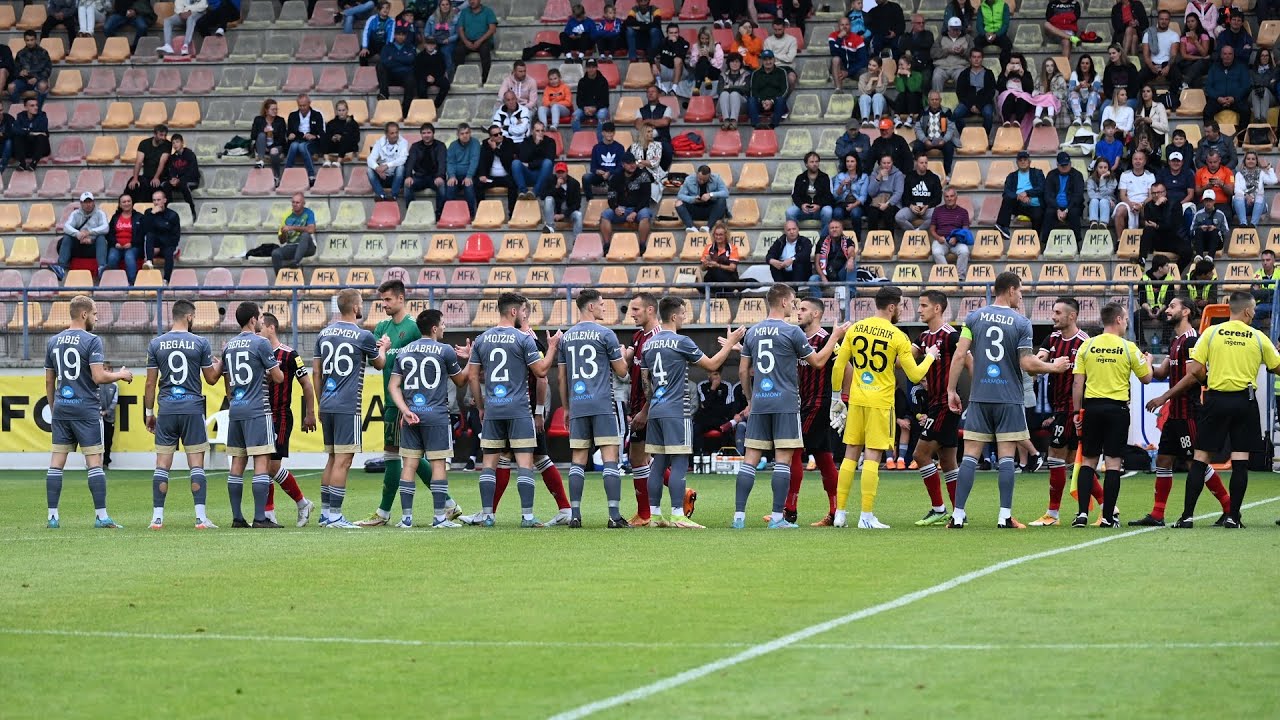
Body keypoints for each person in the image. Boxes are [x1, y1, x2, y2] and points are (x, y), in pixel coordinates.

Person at [945, 272, 1071, 528]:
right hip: (1009, 398)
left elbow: (959, 355)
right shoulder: (1021, 322)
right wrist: (1055, 368)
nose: (1022, 295)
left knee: (969, 456)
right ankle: (1004, 517)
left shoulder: (973, 317)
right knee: (1005, 457)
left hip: (980, 397)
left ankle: (957, 516)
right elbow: (1026, 362)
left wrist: (951, 390)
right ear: (1011, 290)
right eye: (1021, 290)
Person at [734, 284, 846, 529]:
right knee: (789, 457)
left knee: (753, 458)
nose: (796, 308)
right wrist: (837, 336)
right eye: (795, 302)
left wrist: (750, 399)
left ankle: (740, 516)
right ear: (784, 301)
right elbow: (816, 362)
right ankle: (781, 516)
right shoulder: (793, 333)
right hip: (789, 403)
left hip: (805, 403)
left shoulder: (753, 332)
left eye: (803, 307)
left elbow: (744, 369)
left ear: (816, 314)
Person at [828, 285, 937, 528]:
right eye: (899, 306)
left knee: (849, 456)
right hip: (880, 403)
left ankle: (840, 513)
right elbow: (915, 373)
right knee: (873, 457)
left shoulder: (856, 328)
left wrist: (837, 397)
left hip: (856, 399)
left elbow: (838, 366)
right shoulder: (898, 336)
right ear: (891, 306)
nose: (900, 310)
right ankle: (866, 516)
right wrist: (930, 355)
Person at [353, 282, 461, 527]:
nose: (384, 304)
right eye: (383, 299)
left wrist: (406, 406)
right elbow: (379, 362)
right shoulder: (382, 327)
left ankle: (386, 513)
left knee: (400, 457)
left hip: (410, 405)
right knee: (401, 457)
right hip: (394, 403)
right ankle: (446, 505)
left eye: (389, 299)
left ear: (401, 298)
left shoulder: (413, 328)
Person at [461, 293, 563, 527]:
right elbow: (541, 372)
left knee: (489, 464)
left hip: (493, 410)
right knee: (525, 464)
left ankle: (487, 515)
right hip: (519, 410)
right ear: (514, 312)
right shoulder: (523, 339)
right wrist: (552, 348)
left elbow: (473, 377)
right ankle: (527, 517)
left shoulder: (482, 339)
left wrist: (481, 406)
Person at [641, 296, 741, 528]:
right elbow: (712, 365)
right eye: (684, 313)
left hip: (656, 408)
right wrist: (730, 343)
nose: (686, 317)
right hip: (677, 410)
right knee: (678, 462)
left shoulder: (649, 344)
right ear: (674, 316)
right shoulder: (681, 341)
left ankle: (655, 516)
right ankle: (678, 515)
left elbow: (646, 382)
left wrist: (653, 403)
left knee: (657, 463)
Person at [1131, 297, 1232, 526]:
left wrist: (1163, 397)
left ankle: (1229, 508)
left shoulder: (1192, 340)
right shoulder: (1176, 341)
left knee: (1195, 464)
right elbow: (1160, 373)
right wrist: (1144, 362)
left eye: (1173, 306)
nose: (1167, 310)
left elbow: (1191, 377)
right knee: (1164, 460)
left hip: (1189, 413)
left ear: (1185, 311)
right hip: (1174, 414)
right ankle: (1157, 515)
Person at [43, 295, 133, 529]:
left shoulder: (53, 341)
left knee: (56, 463)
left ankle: (52, 517)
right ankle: (102, 517)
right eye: (94, 313)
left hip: (63, 408)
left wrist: (55, 410)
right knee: (94, 462)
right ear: (83, 315)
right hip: (86, 409)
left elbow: (49, 382)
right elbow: (99, 377)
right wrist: (121, 375)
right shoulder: (92, 340)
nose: (96, 317)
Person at [1069, 302, 1152, 527]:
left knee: (1088, 461)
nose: (1126, 323)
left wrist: (1077, 411)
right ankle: (1107, 517)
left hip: (1092, 408)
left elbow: (1078, 382)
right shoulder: (1128, 347)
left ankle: (1082, 515)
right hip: (1117, 410)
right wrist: (1150, 363)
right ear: (1117, 320)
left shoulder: (1087, 345)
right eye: (1125, 319)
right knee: (1113, 463)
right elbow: (1146, 378)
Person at [310, 290, 388, 528]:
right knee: (344, 460)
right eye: (361, 303)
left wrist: (320, 402)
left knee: (332, 458)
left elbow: (316, 372)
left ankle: (325, 514)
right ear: (355, 308)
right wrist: (383, 346)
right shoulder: (363, 335)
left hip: (327, 402)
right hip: (347, 405)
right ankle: (335, 515)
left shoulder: (323, 333)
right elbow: (380, 363)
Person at [554, 290, 631, 527]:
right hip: (602, 404)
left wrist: (566, 408)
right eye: (600, 304)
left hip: (578, 404)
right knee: (610, 459)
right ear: (590, 307)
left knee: (578, 460)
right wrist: (625, 355)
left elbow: (561, 377)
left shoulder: (567, 337)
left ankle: (575, 515)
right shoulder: (606, 334)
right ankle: (614, 516)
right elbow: (622, 371)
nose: (603, 307)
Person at [143, 299, 221, 529]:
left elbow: (150, 383)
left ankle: (157, 518)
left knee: (162, 465)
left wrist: (149, 412)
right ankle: (200, 518)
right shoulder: (200, 342)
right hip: (192, 409)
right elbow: (211, 378)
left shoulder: (156, 343)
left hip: (166, 408)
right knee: (196, 465)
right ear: (189, 317)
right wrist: (223, 362)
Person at [386, 309, 468, 529]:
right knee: (438, 464)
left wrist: (404, 410)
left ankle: (406, 519)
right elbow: (461, 381)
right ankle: (439, 518)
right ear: (434, 328)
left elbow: (393, 386)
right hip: (437, 416)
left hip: (411, 415)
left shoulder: (403, 351)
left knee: (409, 465)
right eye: (442, 324)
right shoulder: (445, 351)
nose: (444, 327)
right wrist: (470, 360)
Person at [1025, 299, 1098, 526]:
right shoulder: (1052, 339)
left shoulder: (1085, 342)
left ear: (1072, 316)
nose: (1053, 316)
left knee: (1065, 459)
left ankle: (1055, 514)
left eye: (1057, 312)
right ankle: (1106, 509)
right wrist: (1040, 363)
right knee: (1067, 460)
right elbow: (1039, 361)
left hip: (1078, 409)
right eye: (1052, 312)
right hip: (1060, 409)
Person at [219, 302, 286, 528]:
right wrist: (265, 376)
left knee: (237, 463)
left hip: (236, 409)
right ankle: (260, 518)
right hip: (258, 410)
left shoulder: (228, 346)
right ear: (253, 320)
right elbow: (278, 378)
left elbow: (226, 381)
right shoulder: (261, 343)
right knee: (261, 462)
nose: (260, 320)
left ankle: (238, 518)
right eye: (258, 316)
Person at [255, 313, 316, 527]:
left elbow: (306, 384)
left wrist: (310, 413)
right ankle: (270, 513)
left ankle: (302, 503)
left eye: (260, 326)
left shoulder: (289, 355)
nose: (256, 330)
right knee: (264, 465)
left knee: (271, 466)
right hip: (259, 415)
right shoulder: (256, 351)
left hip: (279, 416)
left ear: (271, 328)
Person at [911, 291, 961, 526]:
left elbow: (968, 360)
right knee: (949, 462)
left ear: (938, 308)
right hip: (935, 404)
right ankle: (959, 512)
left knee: (920, 455)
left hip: (944, 405)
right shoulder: (923, 337)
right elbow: (904, 361)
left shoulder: (951, 336)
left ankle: (938, 508)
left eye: (923, 305)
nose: (919, 310)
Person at [600, 152, 655, 252]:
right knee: (605, 215)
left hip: (639, 209)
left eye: (633, 162)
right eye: (629, 163)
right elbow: (611, 196)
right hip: (622, 208)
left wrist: (635, 212)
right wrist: (615, 208)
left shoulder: (643, 175)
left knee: (645, 215)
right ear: (623, 165)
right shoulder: (616, 177)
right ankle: (607, 246)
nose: (632, 165)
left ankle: (642, 246)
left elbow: (646, 198)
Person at [53, 191, 108, 282]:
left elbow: (105, 228)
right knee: (67, 236)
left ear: (93, 202)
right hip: (79, 245)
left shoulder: (100, 213)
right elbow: (67, 227)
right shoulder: (75, 214)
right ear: (81, 203)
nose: (88, 205)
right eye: (85, 202)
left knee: (101, 238)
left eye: (90, 202)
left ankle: (101, 268)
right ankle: (61, 268)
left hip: (93, 246)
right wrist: (78, 234)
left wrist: (89, 233)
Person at [1138, 181, 1192, 268]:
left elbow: (1174, 225)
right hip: (1157, 239)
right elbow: (1149, 223)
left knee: (1188, 252)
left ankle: (1175, 272)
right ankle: (1142, 259)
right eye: (1153, 193)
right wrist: (1156, 206)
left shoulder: (1175, 204)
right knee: (1148, 229)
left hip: (1172, 238)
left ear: (1165, 192)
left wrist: (1158, 226)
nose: (1156, 195)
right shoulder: (1149, 206)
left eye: (1158, 193)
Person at [995, 151, 1044, 239]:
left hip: (1034, 205)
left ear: (1029, 161)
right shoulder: (1011, 176)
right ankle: (1004, 227)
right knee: (1007, 199)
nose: (1023, 162)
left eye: (1025, 159)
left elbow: (1042, 188)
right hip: (1018, 204)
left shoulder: (1037, 173)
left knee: (1038, 216)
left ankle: (1036, 241)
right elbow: (1006, 193)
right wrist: (1019, 196)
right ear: (1017, 163)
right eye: (1020, 160)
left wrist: (1027, 193)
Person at [403, 122, 448, 211]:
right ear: (421, 134)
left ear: (433, 133)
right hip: (420, 177)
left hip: (435, 177)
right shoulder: (415, 146)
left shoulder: (440, 146)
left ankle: (440, 213)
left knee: (442, 186)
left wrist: (440, 176)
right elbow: (410, 162)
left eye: (428, 133)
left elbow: (442, 163)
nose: (426, 135)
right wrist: (408, 176)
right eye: (423, 133)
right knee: (407, 185)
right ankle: (412, 212)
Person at [1042, 151, 1085, 243]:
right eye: (1062, 165)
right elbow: (1047, 195)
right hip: (1054, 206)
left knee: (1074, 213)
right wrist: (1057, 209)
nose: (1065, 167)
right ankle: (1045, 244)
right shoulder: (1051, 175)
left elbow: (1078, 196)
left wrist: (1066, 210)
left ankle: (1077, 243)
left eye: (1066, 165)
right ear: (1057, 165)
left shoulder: (1077, 175)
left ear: (1070, 163)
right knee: (1048, 213)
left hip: (1071, 206)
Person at [929, 186, 971, 277]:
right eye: (947, 197)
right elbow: (932, 229)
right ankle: (948, 276)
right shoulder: (937, 211)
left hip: (957, 241)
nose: (949, 199)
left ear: (956, 197)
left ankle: (960, 278)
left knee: (964, 251)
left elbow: (965, 230)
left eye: (951, 196)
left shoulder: (963, 212)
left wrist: (956, 238)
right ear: (944, 198)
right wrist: (938, 238)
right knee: (936, 252)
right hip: (941, 240)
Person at [476, 123, 518, 214]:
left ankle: (512, 213)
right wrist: (482, 174)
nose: (499, 136)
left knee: (513, 185)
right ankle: (482, 212)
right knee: (478, 184)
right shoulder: (485, 144)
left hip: (506, 176)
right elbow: (482, 161)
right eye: (496, 135)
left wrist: (495, 149)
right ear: (490, 137)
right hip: (491, 177)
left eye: (500, 133)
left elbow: (507, 159)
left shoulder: (509, 142)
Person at [103, 193, 144, 285]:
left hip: (133, 246)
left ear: (132, 203)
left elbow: (142, 235)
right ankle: (116, 282)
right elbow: (109, 234)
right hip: (117, 246)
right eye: (124, 202)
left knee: (129, 257)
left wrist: (132, 243)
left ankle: (131, 282)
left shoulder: (139, 217)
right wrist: (115, 243)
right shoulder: (115, 217)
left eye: (129, 201)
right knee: (112, 257)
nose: (126, 203)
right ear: (120, 205)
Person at [1135, 254, 1174, 350]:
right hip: (1147, 308)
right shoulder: (1144, 279)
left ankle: (1165, 344)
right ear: (1160, 268)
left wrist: (1160, 310)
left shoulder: (1169, 280)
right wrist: (1148, 310)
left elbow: (1169, 299)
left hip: (1163, 309)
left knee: (1170, 315)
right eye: (1166, 265)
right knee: (1136, 316)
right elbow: (1142, 299)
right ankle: (1141, 343)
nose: (1168, 267)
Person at [1204, 44, 1251, 125]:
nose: (1227, 56)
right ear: (1221, 55)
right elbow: (1208, 86)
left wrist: (1234, 98)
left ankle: (1241, 136)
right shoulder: (1214, 68)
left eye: (1230, 54)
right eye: (1225, 54)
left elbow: (1245, 86)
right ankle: (1211, 135)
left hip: (1236, 100)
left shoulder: (1241, 67)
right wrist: (1218, 97)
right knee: (1207, 112)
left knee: (1246, 111)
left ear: (1233, 55)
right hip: (1217, 100)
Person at [272, 193, 317, 275]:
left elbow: (311, 229)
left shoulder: (309, 213)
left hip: (308, 247)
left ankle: (295, 262)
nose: (295, 204)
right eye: (293, 202)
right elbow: (282, 241)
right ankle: (280, 280)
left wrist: (292, 228)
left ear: (303, 203)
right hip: (292, 246)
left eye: (297, 202)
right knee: (275, 253)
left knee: (305, 235)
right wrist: (283, 233)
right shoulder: (286, 216)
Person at [675, 164, 730, 231]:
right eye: (700, 179)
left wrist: (710, 195)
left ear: (709, 176)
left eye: (704, 180)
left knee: (722, 200)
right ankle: (691, 227)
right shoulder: (689, 180)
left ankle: (708, 227)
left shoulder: (717, 178)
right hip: (695, 208)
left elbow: (726, 193)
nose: (701, 181)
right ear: (697, 174)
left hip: (712, 210)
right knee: (678, 203)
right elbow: (680, 195)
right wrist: (692, 199)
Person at [142, 190, 182, 281]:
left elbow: (175, 236)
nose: (156, 202)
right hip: (153, 245)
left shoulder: (173, 215)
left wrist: (160, 248)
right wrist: (152, 214)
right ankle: (149, 262)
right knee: (149, 234)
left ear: (164, 200)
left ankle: (166, 280)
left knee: (168, 254)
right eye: (154, 200)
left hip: (168, 245)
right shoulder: (149, 212)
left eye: (158, 200)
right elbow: (144, 229)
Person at [1114, 148, 1155, 236]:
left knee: (1151, 210)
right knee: (1120, 211)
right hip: (1129, 202)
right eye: (1135, 159)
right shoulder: (1125, 175)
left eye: (1140, 159)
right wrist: (1131, 204)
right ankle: (1120, 241)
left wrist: (1141, 205)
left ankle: (1149, 241)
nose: (1137, 161)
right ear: (1132, 161)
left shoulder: (1150, 176)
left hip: (1145, 203)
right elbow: (1122, 195)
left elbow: (1151, 196)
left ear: (1144, 162)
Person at [454, 0, 497, 84]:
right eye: (469, 0)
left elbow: (492, 29)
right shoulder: (464, 12)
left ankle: (485, 78)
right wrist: (466, 41)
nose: (471, 2)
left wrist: (479, 41)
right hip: (468, 40)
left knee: (485, 50)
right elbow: (460, 29)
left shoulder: (488, 11)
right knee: (458, 50)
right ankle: (460, 77)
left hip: (484, 40)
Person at [786, 152, 834, 227]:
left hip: (819, 210)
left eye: (816, 162)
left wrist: (819, 205)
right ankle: (795, 236)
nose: (815, 164)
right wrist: (801, 205)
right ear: (806, 164)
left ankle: (824, 237)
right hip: (804, 210)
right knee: (790, 212)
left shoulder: (825, 177)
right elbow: (795, 195)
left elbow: (829, 196)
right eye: (812, 162)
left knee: (828, 211)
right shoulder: (800, 178)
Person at [811, 218, 857, 296]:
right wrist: (822, 277)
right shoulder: (822, 241)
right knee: (813, 279)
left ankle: (851, 294)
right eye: (832, 228)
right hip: (826, 274)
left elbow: (851, 251)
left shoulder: (848, 241)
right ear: (828, 230)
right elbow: (817, 263)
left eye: (837, 227)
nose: (834, 229)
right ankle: (818, 303)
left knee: (852, 262)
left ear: (842, 229)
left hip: (841, 275)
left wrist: (851, 259)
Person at [897, 152, 942, 231]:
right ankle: (912, 232)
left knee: (938, 216)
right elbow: (904, 196)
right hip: (912, 208)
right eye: (921, 162)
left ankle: (919, 231)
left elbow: (938, 197)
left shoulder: (934, 177)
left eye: (926, 163)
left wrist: (927, 206)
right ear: (916, 163)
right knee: (899, 217)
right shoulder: (909, 177)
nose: (924, 165)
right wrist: (911, 206)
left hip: (928, 208)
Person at [955, 48, 997, 133]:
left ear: (982, 59)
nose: (976, 59)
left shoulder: (989, 73)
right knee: (956, 114)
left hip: (984, 102)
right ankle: (964, 135)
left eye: (979, 57)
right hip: (968, 102)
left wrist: (979, 106)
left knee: (988, 114)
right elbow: (960, 92)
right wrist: (971, 105)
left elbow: (991, 92)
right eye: (974, 57)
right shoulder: (964, 74)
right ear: (970, 59)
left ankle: (984, 137)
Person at [366, 121, 410, 202]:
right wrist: (377, 168)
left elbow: (402, 159)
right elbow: (370, 159)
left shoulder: (403, 142)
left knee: (400, 168)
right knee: (369, 170)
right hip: (383, 176)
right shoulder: (379, 142)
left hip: (397, 177)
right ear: (386, 134)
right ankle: (381, 195)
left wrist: (387, 166)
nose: (395, 135)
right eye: (392, 133)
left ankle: (393, 195)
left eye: (396, 132)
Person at [514, 120, 557, 200]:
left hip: (544, 174)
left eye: (542, 130)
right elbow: (523, 158)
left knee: (547, 163)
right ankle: (523, 192)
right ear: (532, 131)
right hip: (529, 174)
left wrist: (530, 164)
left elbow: (550, 159)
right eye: (537, 131)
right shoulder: (526, 142)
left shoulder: (550, 142)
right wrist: (536, 145)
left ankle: (535, 192)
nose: (540, 133)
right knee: (515, 163)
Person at [583, 121, 625, 200]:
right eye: (607, 132)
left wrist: (610, 173)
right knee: (586, 177)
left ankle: (613, 201)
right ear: (602, 133)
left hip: (613, 175)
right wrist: (597, 171)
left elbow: (621, 167)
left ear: (614, 133)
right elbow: (593, 167)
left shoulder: (620, 147)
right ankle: (590, 201)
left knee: (615, 178)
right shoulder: (596, 147)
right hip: (599, 175)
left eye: (611, 132)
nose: (609, 134)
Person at [1233, 151, 1275, 228]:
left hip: (1258, 205)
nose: (1251, 161)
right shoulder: (1239, 174)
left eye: (1253, 159)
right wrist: (1246, 196)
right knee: (1238, 195)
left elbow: (1273, 181)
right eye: (1248, 159)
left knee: (1259, 196)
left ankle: (1253, 224)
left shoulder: (1261, 173)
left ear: (1256, 161)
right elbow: (1237, 190)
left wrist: (1269, 169)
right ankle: (1243, 223)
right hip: (1243, 205)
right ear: (1245, 161)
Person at [160, 133, 198, 217]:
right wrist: (172, 179)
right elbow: (170, 171)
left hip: (190, 180)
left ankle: (192, 211)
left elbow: (192, 172)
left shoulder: (190, 154)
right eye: (173, 143)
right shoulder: (172, 157)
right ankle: (168, 211)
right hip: (177, 181)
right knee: (165, 185)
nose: (175, 144)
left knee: (184, 185)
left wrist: (179, 180)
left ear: (182, 143)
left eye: (177, 142)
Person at [747, 50, 788, 129]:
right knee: (751, 100)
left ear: (774, 60)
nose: (768, 62)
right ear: (761, 61)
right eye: (765, 60)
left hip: (776, 103)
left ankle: (773, 126)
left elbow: (785, 90)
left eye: (770, 59)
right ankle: (757, 126)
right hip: (761, 103)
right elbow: (753, 91)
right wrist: (762, 101)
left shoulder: (781, 72)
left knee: (780, 100)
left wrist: (772, 101)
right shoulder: (756, 73)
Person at [766, 220, 813, 287]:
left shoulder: (805, 241)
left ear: (798, 229)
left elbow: (805, 254)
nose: (792, 232)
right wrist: (772, 261)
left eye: (794, 229)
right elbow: (769, 255)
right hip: (784, 273)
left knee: (797, 263)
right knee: (773, 265)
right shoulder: (780, 242)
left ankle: (794, 291)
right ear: (785, 232)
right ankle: (780, 288)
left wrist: (792, 260)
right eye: (789, 230)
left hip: (801, 275)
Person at [865, 153, 905, 231]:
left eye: (888, 163)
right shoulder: (874, 173)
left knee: (888, 213)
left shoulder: (898, 174)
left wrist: (887, 204)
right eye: (884, 163)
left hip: (892, 202)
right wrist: (878, 177)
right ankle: (873, 240)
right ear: (880, 163)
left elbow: (898, 192)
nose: (886, 165)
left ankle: (890, 241)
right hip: (878, 201)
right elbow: (871, 192)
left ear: (892, 163)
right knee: (872, 214)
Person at [9, 31, 51, 105]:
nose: (29, 42)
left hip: (38, 79)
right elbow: (15, 70)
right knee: (11, 87)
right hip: (23, 81)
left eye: (32, 40)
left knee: (43, 86)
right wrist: (20, 73)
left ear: (36, 40)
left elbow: (47, 69)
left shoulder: (43, 52)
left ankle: (38, 110)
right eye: (27, 40)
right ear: (24, 40)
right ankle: (16, 109)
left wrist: (36, 78)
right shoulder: (20, 53)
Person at [829, 16, 870, 92]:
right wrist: (839, 38)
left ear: (850, 26)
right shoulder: (833, 36)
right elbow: (833, 52)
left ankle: (864, 95)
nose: (844, 27)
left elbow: (863, 61)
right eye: (842, 25)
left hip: (855, 69)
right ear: (838, 26)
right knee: (835, 59)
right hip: (840, 68)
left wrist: (848, 72)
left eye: (847, 24)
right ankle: (838, 90)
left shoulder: (857, 39)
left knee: (866, 74)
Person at [250, 99, 287, 181]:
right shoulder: (258, 120)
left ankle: (276, 176)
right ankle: (261, 161)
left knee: (273, 151)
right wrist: (264, 131)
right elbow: (253, 136)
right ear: (266, 110)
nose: (275, 111)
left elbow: (282, 139)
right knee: (262, 135)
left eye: (276, 109)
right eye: (273, 109)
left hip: (276, 146)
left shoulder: (280, 121)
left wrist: (270, 146)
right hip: (262, 147)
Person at [932, 16, 971, 92]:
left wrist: (962, 51)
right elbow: (933, 53)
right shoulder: (941, 37)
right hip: (942, 67)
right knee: (936, 76)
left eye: (958, 29)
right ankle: (935, 101)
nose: (956, 31)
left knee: (962, 77)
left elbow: (973, 53)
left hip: (960, 67)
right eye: (953, 29)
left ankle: (962, 102)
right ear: (948, 28)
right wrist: (947, 51)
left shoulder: (967, 38)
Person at [572, 60, 610, 136]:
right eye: (589, 67)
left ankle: (599, 143)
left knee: (602, 116)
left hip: (599, 109)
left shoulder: (603, 81)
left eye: (593, 67)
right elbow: (578, 100)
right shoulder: (582, 82)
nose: (591, 69)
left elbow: (605, 101)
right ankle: (579, 140)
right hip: (585, 109)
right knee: (575, 116)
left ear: (596, 68)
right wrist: (584, 108)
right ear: (586, 68)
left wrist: (595, 107)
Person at [543, 161, 584, 234]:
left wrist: (563, 215)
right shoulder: (550, 180)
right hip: (554, 213)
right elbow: (543, 196)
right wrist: (556, 187)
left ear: (567, 172)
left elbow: (577, 204)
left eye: (562, 172)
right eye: (558, 172)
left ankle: (577, 241)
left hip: (568, 212)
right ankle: (550, 227)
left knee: (578, 215)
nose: (560, 175)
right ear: (555, 173)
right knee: (548, 199)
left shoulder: (574, 184)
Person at [11, 95, 49, 171]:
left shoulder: (42, 116)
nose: (36, 107)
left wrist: (25, 130)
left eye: (36, 105)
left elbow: (42, 129)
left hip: (40, 149)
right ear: (26, 107)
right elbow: (15, 129)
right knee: (17, 137)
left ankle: (34, 163)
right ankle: (22, 163)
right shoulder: (20, 116)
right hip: (26, 149)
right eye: (32, 105)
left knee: (41, 137)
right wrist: (32, 132)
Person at [700, 221, 740, 293]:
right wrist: (705, 264)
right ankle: (730, 290)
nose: (718, 237)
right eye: (716, 234)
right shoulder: (709, 248)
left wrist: (717, 265)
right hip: (713, 278)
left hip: (729, 277)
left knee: (715, 270)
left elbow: (732, 268)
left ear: (725, 235)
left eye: (721, 235)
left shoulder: (732, 248)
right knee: (710, 274)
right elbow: (703, 269)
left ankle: (730, 289)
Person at [415, 35, 451, 112]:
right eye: (428, 44)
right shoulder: (420, 56)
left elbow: (442, 68)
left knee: (446, 84)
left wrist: (434, 77)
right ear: (425, 45)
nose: (430, 46)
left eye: (432, 44)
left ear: (435, 45)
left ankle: (435, 105)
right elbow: (418, 70)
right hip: (424, 78)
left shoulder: (440, 55)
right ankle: (426, 107)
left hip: (437, 77)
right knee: (421, 88)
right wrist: (426, 77)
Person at [1190, 188, 1229, 259]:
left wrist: (1216, 228)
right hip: (1202, 242)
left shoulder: (1220, 214)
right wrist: (1200, 228)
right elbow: (1191, 231)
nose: (1208, 203)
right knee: (1198, 231)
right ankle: (1199, 256)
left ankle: (1210, 256)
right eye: (1206, 201)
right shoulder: (1198, 214)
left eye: (1210, 201)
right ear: (1203, 202)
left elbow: (1226, 232)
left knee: (1215, 232)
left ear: (1214, 201)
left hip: (1216, 243)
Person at [831, 153, 868, 229]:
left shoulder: (864, 177)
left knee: (855, 213)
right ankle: (840, 237)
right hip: (842, 203)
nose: (849, 164)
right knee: (837, 213)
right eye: (847, 161)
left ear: (856, 163)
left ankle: (857, 239)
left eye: (852, 161)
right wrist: (841, 186)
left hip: (857, 204)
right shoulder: (840, 176)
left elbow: (863, 196)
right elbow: (835, 195)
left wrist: (853, 205)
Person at [763, 17, 800, 92]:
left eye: (780, 29)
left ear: (784, 28)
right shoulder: (768, 41)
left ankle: (785, 99)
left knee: (792, 78)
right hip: (772, 67)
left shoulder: (792, 40)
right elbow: (768, 59)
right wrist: (784, 56)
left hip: (787, 67)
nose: (777, 32)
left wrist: (774, 54)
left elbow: (790, 58)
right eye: (775, 30)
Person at [1176, 14, 1212, 89]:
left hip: (1203, 64)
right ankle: (1197, 97)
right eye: (1188, 22)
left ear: (1197, 22)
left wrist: (1195, 41)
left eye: (1192, 21)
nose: (1190, 23)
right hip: (1188, 63)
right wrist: (1200, 58)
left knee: (1200, 63)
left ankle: (1185, 82)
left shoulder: (1204, 35)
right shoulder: (1183, 38)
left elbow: (1204, 53)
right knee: (1196, 75)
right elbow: (1184, 56)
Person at [653, 22, 690, 93]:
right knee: (654, 60)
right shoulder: (662, 42)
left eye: (676, 33)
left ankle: (674, 87)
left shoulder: (684, 43)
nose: (674, 35)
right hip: (665, 71)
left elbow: (680, 56)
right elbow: (651, 54)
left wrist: (674, 44)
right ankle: (659, 85)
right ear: (667, 33)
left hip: (680, 73)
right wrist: (654, 65)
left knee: (677, 60)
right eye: (671, 33)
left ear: (679, 33)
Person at [717, 52, 751, 130]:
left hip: (741, 105)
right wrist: (739, 87)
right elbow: (720, 91)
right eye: (732, 62)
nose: (734, 64)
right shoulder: (723, 75)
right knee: (724, 94)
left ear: (740, 63)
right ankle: (726, 120)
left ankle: (734, 120)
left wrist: (730, 87)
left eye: (737, 62)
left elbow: (747, 90)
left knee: (734, 94)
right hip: (725, 104)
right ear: (728, 63)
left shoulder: (746, 74)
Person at [321, 100, 360, 168]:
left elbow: (356, 138)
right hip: (335, 146)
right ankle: (327, 160)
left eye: (343, 110)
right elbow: (327, 135)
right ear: (336, 111)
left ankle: (338, 162)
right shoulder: (331, 123)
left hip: (348, 147)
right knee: (323, 137)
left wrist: (342, 138)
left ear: (347, 110)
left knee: (344, 139)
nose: (341, 112)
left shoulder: (353, 123)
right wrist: (332, 138)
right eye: (339, 110)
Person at [1068, 54, 1103, 127]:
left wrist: (1089, 86)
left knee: (1093, 93)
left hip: (1092, 102)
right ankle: (1078, 117)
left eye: (1087, 63)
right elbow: (1071, 89)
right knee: (1073, 93)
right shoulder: (1074, 74)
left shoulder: (1096, 75)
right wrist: (1079, 86)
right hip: (1078, 102)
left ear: (1090, 65)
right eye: (1082, 63)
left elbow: (1097, 90)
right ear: (1079, 64)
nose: (1085, 65)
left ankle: (1088, 117)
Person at [974, 0, 1012, 67]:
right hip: (986, 34)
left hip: (999, 34)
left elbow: (1005, 24)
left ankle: (1004, 68)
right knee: (976, 43)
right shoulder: (981, 7)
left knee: (1007, 44)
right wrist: (984, 34)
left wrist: (997, 34)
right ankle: (979, 67)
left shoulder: (1003, 5)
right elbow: (979, 25)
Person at [858, 56, 893, 124]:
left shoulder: (884, 78)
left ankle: (877, 120)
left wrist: (879, 77)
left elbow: (880, 92)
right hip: (867, 106)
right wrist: (871, 80)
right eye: (869, 64)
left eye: (874, 66)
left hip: (880, 107)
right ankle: (865, 121)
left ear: (879, 68)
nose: (870, 67)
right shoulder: (862, 77)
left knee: (877, 96)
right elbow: (864, 92)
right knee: (864, 97)